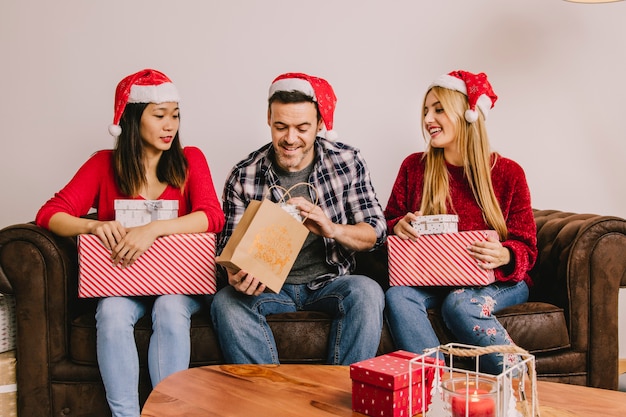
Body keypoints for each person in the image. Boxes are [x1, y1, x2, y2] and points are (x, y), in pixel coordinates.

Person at [35, 69, 225, 417]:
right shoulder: (102, 164)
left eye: (175, 115)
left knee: (169, 309)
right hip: (122, 281)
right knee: (111, 311)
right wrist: (93, 227)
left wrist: (153, 228)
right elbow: (50, 214)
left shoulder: (190, 159)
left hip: (179, 283)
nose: (170, 125)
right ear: (134, 119)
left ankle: (168, 413)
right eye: (159, 115)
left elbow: (212, 216)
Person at [211, 72, 386, 365]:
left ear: (320, 124)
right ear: (268, 119)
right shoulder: (244, 175)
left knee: (367, 291)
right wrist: (234, 273)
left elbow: (375, 232)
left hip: (329, 283)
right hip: (267, 289)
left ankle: (339, 399)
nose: (290, 139)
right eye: (281, 126)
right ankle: (274, 402)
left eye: (302, 128)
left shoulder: (347, 162)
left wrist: (331, 229)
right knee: (226, 303)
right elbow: (226, 248)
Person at [383, 70, 537, 374]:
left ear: (467, 114)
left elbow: (527, 248)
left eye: (439, 109)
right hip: (432, 278)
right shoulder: (415, 167)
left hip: (497, 281)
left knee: (459, 303)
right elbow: (389, 220)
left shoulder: (507, 173)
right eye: (426, 110)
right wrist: (398, 225)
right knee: (397, 295)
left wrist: (506, 254)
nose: (428, 119)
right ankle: (433, 384)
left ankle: (517, 376)